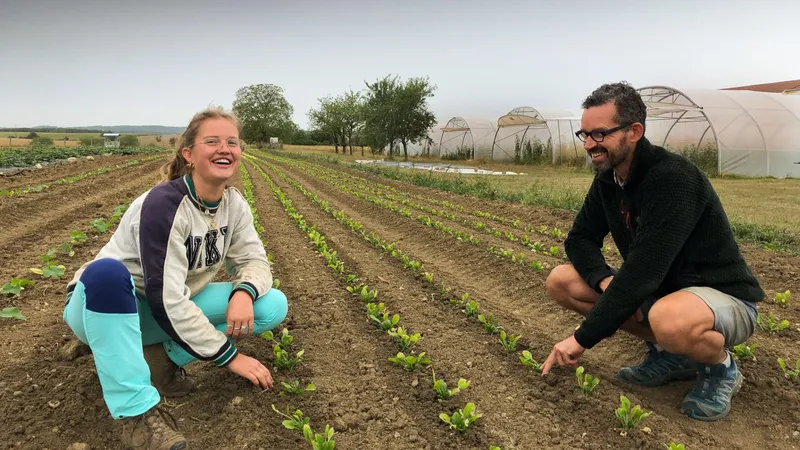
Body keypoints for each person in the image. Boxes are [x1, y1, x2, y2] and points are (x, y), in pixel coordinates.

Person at [62, 108, 288, 449]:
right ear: (189, 154)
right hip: (104, 305)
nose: (224, 148)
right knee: (107, 272)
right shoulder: (163, 206)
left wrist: (244, 290)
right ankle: (137, 415)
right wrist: (231, 356)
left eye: (232, 142)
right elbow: (166, 300)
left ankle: (161, 359)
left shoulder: (233, 205)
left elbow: (254, 259)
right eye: (212, 141)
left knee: (270, 304)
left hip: (163, 306)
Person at [541, 82, 764, 422]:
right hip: (662, 294)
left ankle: (721, 367)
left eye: (599, 134)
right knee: (562, 280)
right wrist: (603, 281)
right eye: (583, 134)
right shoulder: (609, 179)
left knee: (668, 319)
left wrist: (581, 340)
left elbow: (644, 271)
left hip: (722, 297)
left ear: (634, 131)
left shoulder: (672, 179)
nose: (589, 145)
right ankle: (674, 355)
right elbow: (579, 239)